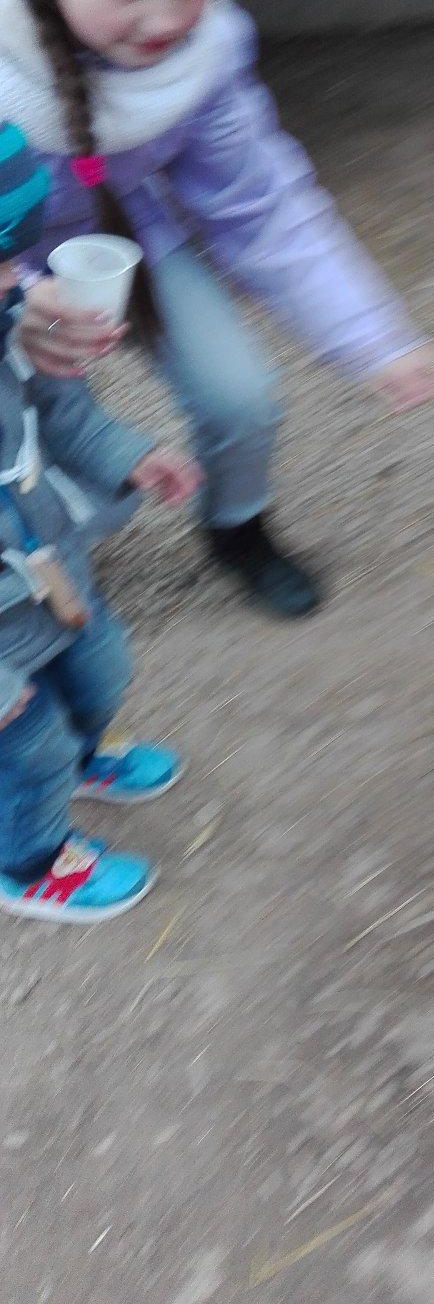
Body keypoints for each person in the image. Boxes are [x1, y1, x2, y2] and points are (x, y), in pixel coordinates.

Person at [0, 0, 434, 620]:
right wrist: (16, 297)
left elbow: (261, 200)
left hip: (134, 236)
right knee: (29, 435)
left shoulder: (205, 57)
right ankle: (37, 564)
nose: (166, 20)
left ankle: (238, 525)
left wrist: (369, 335)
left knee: (243, 399)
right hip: (10, 276)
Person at [0, 117, 199, 922]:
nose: (11, 284)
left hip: (53, 578)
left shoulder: (9, 322)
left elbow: (63, 410)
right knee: (28, 751)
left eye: (11, 261)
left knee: (101, 673)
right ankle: (29, 862)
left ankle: (84, 758)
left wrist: (128, 454)